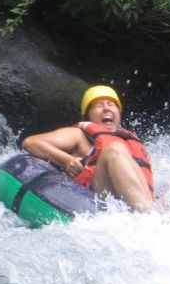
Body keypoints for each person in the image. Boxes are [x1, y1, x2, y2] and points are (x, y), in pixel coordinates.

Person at [21, 85, 154, 212]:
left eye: (111, 104)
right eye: (99, 105)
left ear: (119, 113)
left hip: (132, 204)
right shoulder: (79, 134)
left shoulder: (131, 141)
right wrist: (67, 160)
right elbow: (31, 142)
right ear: (88, 116)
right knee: (113, 149)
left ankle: (151, 212)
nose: (106, 109)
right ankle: (147, 216)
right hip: (96, 197)